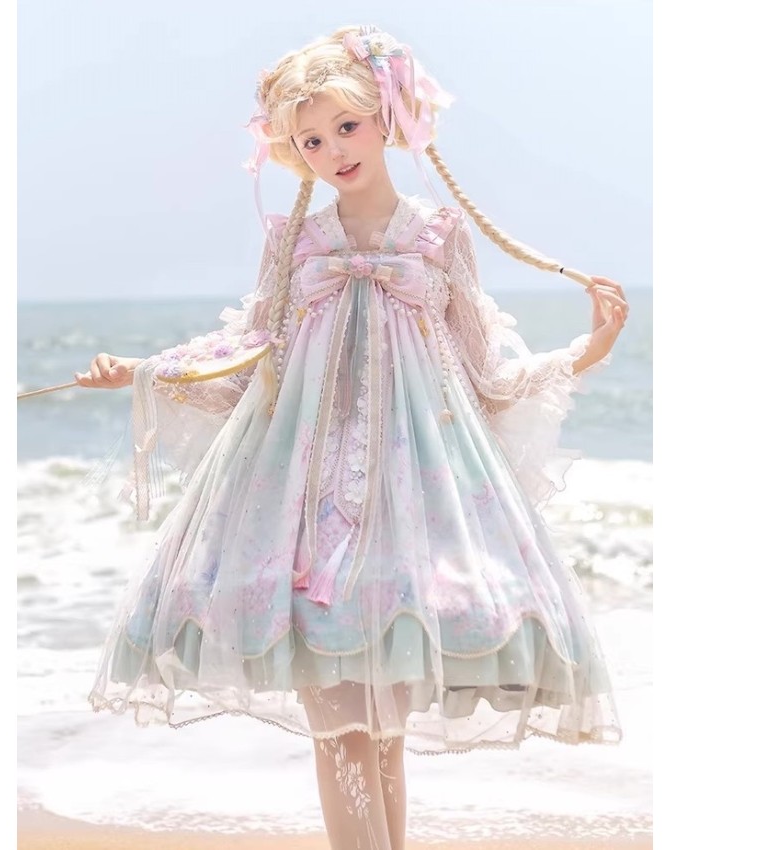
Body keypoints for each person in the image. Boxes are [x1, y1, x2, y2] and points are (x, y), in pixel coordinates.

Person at [75, 24, 629, 850]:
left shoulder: (439, 235)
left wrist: (590, 350)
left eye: (346, 126)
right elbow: (248, 366)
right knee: (339, 728)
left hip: (412, 513)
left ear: (384, 118)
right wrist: (145, 373)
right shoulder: (293, 242)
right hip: (302, 511)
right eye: (311, 140)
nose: (333, 150)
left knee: (382, 730)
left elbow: (484, 376)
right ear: (292, 152)